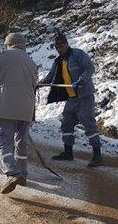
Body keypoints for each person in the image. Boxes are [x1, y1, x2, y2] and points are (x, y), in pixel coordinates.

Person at [0, 33, 38, 194]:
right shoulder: (31, 61)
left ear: (9, 44)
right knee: (21, 141)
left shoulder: (5, 54)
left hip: (7, 106)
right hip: (27, 108)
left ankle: (12, 173)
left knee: (1, 139)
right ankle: (23, 175)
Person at [41, 33, 102, 167]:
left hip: (84, 95)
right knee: (67, 123)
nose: (59, 49)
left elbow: (90, 68)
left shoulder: (78, 54)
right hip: (72, 97)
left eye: (61, 46)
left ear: (67, 44)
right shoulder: (58, 61)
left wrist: (81, 80)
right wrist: (41, 83)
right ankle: (68, 152)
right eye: (57, 47)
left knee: (88, 121)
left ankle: (97, 155)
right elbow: (51, 76)